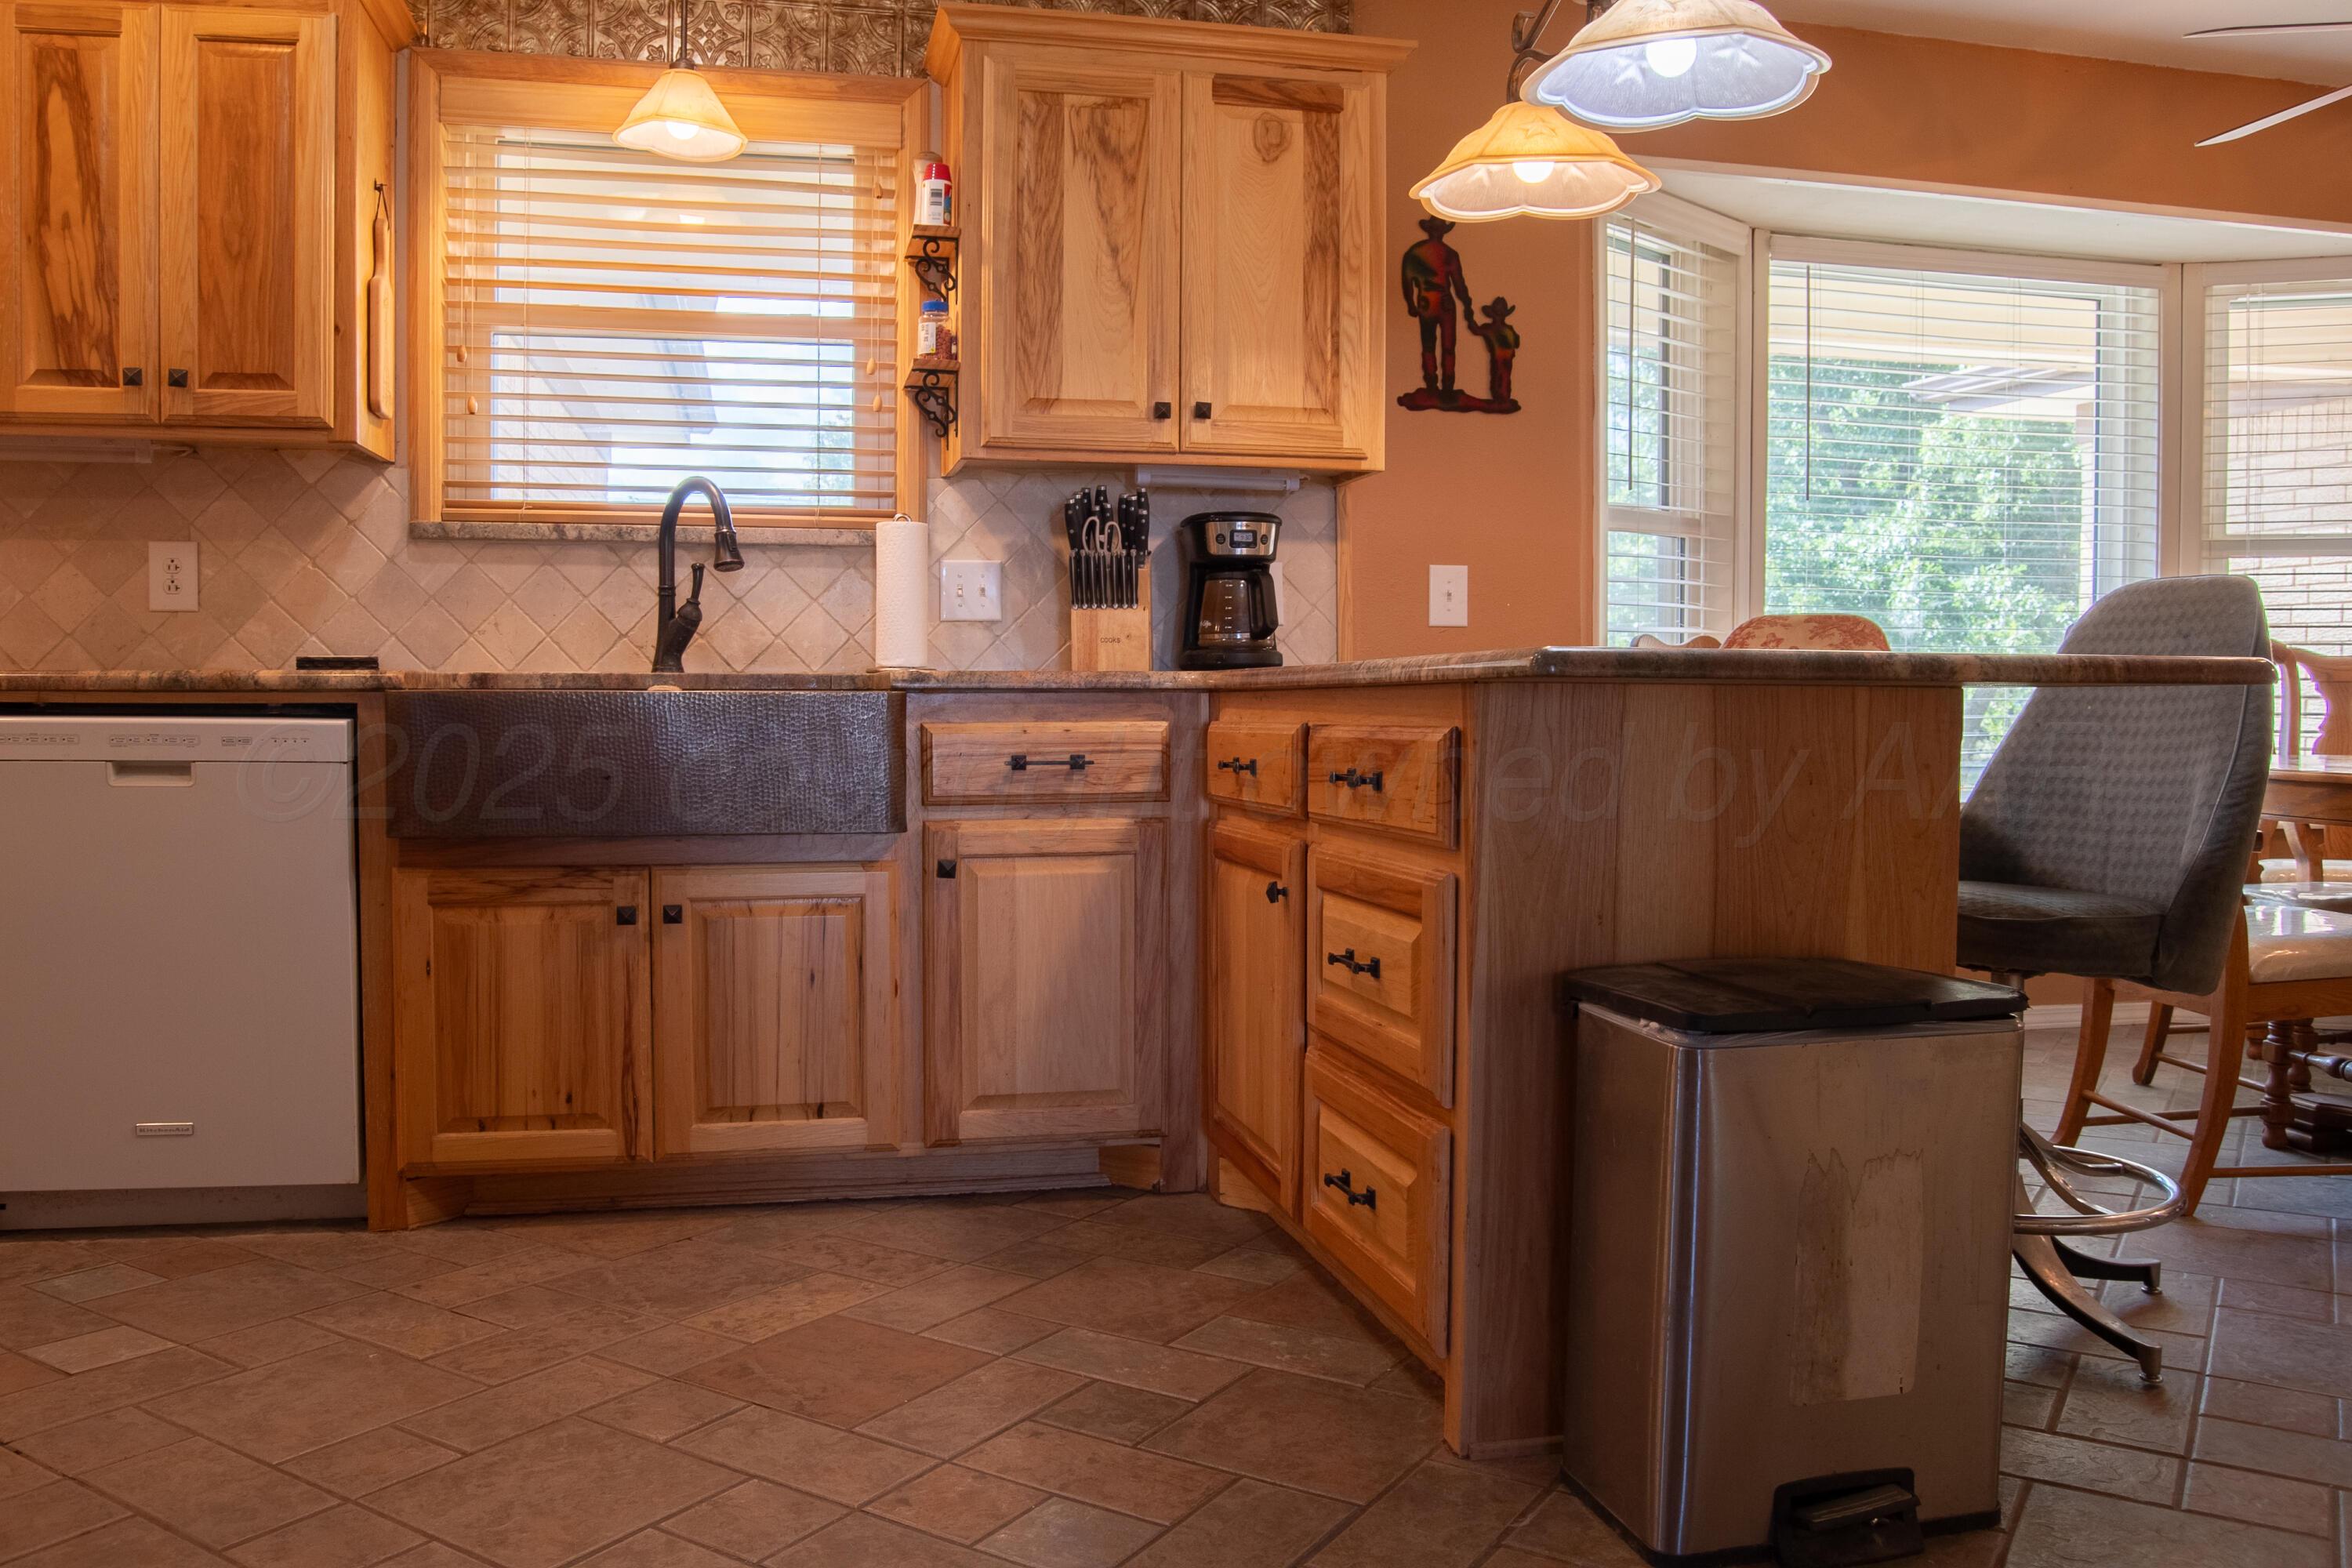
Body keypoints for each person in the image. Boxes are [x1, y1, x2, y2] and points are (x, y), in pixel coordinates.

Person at [1399, 216, 1475, 397]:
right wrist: (1466, 304)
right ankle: (1446, 386)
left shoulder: (1416, 252)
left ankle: (1433, 384)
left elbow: (1407, 281)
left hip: (1427, 301)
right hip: (1443, 301)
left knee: (1429, 344)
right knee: (1447, 345)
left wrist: (1411, 303)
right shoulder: (1449, 253)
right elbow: (1459, 284)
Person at [1471, 297, 1521, 411]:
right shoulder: (1506, 329)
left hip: (1503, 358)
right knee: (1502, 377)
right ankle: (1502, 399)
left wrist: (1470, 319)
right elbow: (1517, 343)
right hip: (1504, 358)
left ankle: (1502, 399)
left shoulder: (1492, 328)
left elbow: (1476, 330)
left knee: (1501, 377)